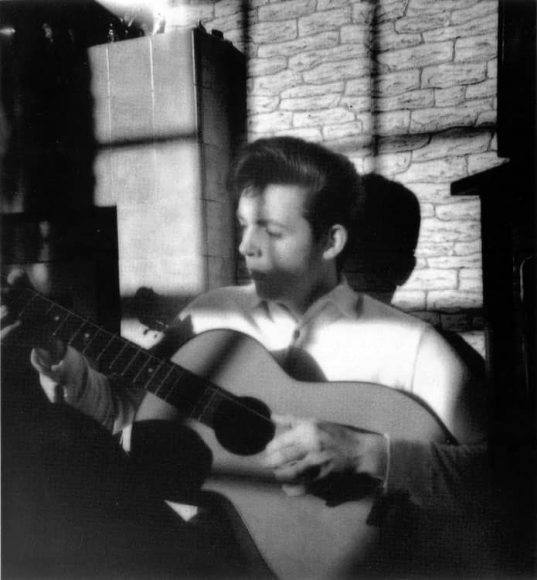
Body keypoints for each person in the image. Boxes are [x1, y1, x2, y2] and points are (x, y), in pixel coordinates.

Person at [3, 136, 496, 576]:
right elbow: (122, 413)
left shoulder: (415, 347)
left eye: (270, 231)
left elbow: (509, 481)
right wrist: (57, 353)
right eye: (243, 226)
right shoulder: (209, 315)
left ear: (332, 241)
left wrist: (370, 453)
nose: (244, 247)